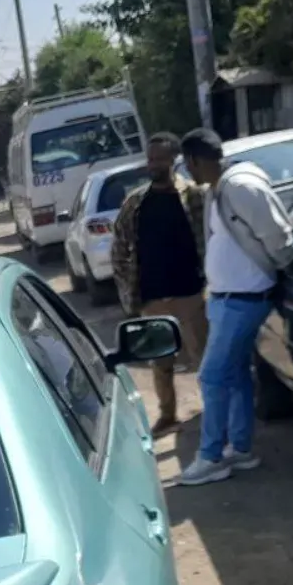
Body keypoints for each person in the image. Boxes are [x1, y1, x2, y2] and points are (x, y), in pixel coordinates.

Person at [176, 127, 293, 486]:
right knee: (237, 374)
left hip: (243, 299)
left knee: (212, 376)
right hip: (227, 298)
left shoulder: (241, 187)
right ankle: (240, 450)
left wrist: (279, 270)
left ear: (195, 161)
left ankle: (212, 456)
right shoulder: (219, 189)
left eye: (187, 165)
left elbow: (278, 236)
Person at [109, 132, 210, 436]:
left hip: (191, 292)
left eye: (158, 159)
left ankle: (212, 412)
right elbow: (120, 248)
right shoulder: (136, 203)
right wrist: (128, 291)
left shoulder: (194, 197)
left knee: (203, 359)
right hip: (152, 296)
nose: (152, 164)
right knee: (160, 363)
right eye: (149, 158)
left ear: (174, 160)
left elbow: (210, 237)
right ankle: (168, 415)